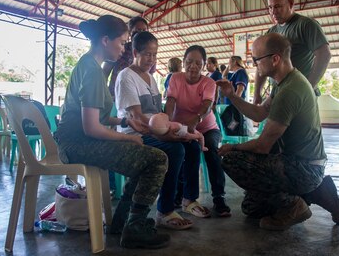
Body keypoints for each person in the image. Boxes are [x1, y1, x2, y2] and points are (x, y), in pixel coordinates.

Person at [53, 15, 170, 248]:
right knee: (157, 159)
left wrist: (125, 120)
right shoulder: (94, 71)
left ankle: (122, 221)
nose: (124, 48)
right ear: (105, 40)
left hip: (75, 141)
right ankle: (135, 227)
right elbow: (92, 127)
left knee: (143, 158)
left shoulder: (87, 65)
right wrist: (129, 138)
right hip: (78, 145)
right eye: (122, 42)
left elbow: (98, 116)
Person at [217, 33, 339, 230]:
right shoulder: (284, 82)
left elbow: (262, 146)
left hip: (304, 167)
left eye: (256, 59)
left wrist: (232, 147)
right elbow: (259, 114)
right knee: (251, 208)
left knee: (232, 160)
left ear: (275, 59)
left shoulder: (289, 91)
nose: (254, 64)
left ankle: (295, 205)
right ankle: (316, 193)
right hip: (299, 163)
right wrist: (232, 96)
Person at [115, 31, 196, 230]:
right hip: (135, 134)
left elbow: (156, 113)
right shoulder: (126, 77)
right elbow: (139, 118)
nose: (151, 59)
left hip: (153, 131)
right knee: (175, 150)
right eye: (147, 54)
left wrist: (172, 129)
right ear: (135, 52)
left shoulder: (151, 79)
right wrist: (166, 133)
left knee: (192, 145)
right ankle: (165, 210)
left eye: (154, 54)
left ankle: (188, 199)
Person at [166, 45, 231, 217]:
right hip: (182, 128)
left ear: (203, 65)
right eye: (189, 62)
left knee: (211, 149)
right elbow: (171, 101)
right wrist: (167, 121)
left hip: (207, 128)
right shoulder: (175, 78)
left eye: (197, 63)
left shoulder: (208, 82)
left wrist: (195, 121)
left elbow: (207, 106)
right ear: (183, 62)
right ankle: (180, 194)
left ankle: (219, 197)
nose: (192, 66)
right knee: (180, 152)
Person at [253, 0, 331, 104]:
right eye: (270, 7)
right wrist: (256, 94)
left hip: (299, 94)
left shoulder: (306, 25)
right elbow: (261, 63)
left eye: (278, 6)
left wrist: (308, 88)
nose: (273, 12)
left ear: (290, 3)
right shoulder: (271, 32)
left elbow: (324, 55)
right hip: (279, 93)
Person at [102, 16, 151, 98]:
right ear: (130, 32)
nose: (141, 34)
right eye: (137, 30)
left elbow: (149, 78)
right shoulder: (119, 49)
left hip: (137, 98)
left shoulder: (149, 54)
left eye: (144, 31)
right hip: (116, 97)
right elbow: (105, 72)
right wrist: (105, 94)